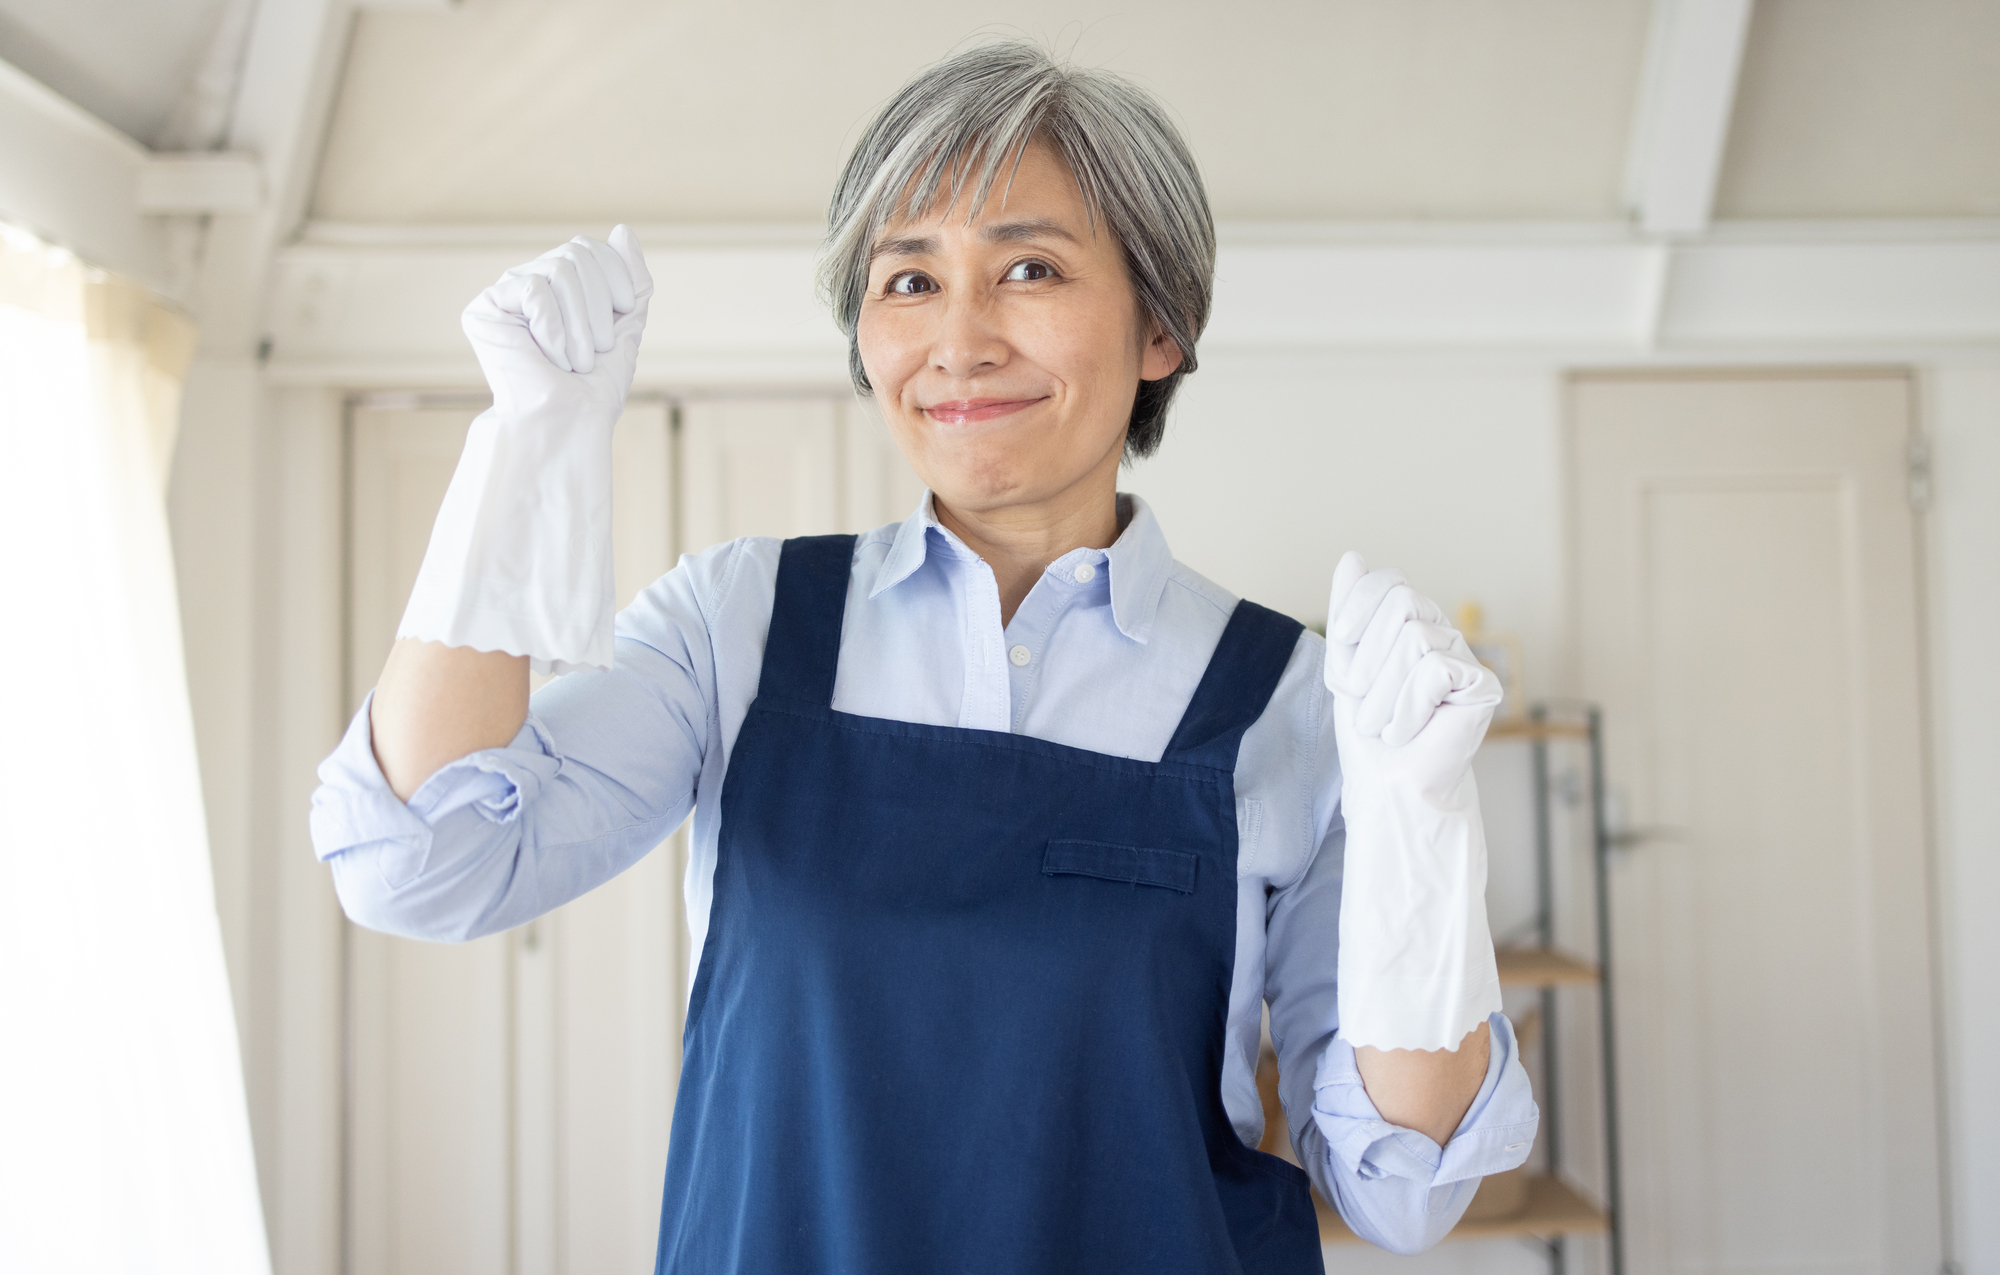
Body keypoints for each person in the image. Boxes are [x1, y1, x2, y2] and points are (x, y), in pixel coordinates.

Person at [311, 41, 1537, 1274]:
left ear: (1161, 327)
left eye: (1028, 268)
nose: (958, 340)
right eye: (907, 282)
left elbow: (1400, 1198)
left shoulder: (1285, 705)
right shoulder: (738, 627)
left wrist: (1418, 831)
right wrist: (519, 457)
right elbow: (424, 862)